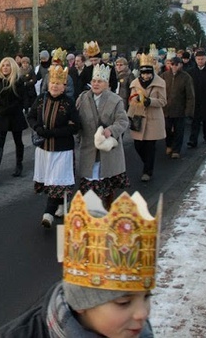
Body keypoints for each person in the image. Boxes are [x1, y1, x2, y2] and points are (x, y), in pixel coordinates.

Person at [0, 190, 158, 338]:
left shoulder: (138, 332)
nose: (142, 314)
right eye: (124, 302)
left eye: (146, 297)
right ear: (80, 301)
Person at [27, 65, 80, 229]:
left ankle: (48, 214)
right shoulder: (41, 99)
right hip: (44, 148)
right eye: (52, 83)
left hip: (61, 149)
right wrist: (38, 128)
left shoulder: (69, 103)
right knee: (50, 182)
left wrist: (54, 132)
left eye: (58, 83)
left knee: (57, 181)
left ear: (64, 86)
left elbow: (75, 126)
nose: (54, 86)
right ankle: (63, 203)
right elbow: (31, 116)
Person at [76, 64, 130, 210]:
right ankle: (90, 212)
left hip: (108, 150)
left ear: (106, 84)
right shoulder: (83, 98)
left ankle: (107, 209)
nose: (96, 84)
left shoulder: (115, 100)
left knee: (107, 184)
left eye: (99, 81)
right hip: (88, 147)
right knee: (89, 185)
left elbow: (123, 121)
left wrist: (110, 130)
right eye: (94, 81)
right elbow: (75, 119)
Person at [127, 54, 166, 182]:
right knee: (138, 145)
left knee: (150, 146)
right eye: (143, 73)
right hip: (139, 117)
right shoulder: (135, 83)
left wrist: (150, 101)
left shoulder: (160, 83)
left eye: (148, 73)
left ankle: (147, 171)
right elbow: (131, 100)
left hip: (153, 119)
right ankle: (147, 163)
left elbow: (163, 101)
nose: (145, 76)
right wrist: (130, 113)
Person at [0, 57, 27, 180]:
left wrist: (5, 110)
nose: (5, 67)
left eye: (8, 65)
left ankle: (19, 165)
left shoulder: (18, 82)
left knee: (18, 141)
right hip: (2, 116)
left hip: (15, 115)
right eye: (3, 65)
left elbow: (19, 101)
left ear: (13, 67)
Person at [160, 57, 194, 159]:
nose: (174, 66)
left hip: (180, 109)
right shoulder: (164, 76)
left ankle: (176, 150)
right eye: (172, 64)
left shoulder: (186, 77)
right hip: (166, 109)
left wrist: (188, 110)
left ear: (180, 65)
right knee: (166, 129)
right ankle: (169, 145)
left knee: (179, 130)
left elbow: (190, 96)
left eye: (176, 64)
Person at [187, 50, 206, 148]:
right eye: (198, 59)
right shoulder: (191, 72)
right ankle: (193, 140)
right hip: (195, 100)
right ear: (195, 60)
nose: (200, 61)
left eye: (202, 59)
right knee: (195, 122)